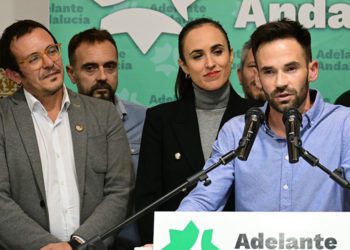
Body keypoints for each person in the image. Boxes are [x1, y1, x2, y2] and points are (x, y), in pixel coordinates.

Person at [177, 18, 350, 212]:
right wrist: (170, 238)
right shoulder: (236, 132)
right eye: (268, 72)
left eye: (291, 68)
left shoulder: (344, 125)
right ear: (258, 78)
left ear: (312, 70)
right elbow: (203, 200)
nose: (280, 82)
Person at [0, 20, 134, 250]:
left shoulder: (104, 114)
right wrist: (47, 246)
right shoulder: (3, 120)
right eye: (34, 59)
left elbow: (120, 190)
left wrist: (79, 243)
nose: (49, 63)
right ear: (13, 75)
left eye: (52, 51)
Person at [135, 17, 260, 244]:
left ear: (231, 56)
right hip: (180, 243)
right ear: (183, 65)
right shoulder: (160, 119)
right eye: (197, 56)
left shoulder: (257, 116)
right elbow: (147, 201)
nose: (210, 63)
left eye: (217, 51)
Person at [66, 28, 146, 249]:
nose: (102, 76)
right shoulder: (59, 127)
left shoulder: (147, 120)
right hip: (77, 243)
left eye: (109, 66)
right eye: (90, 68)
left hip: (133, 242)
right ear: (71, 74)